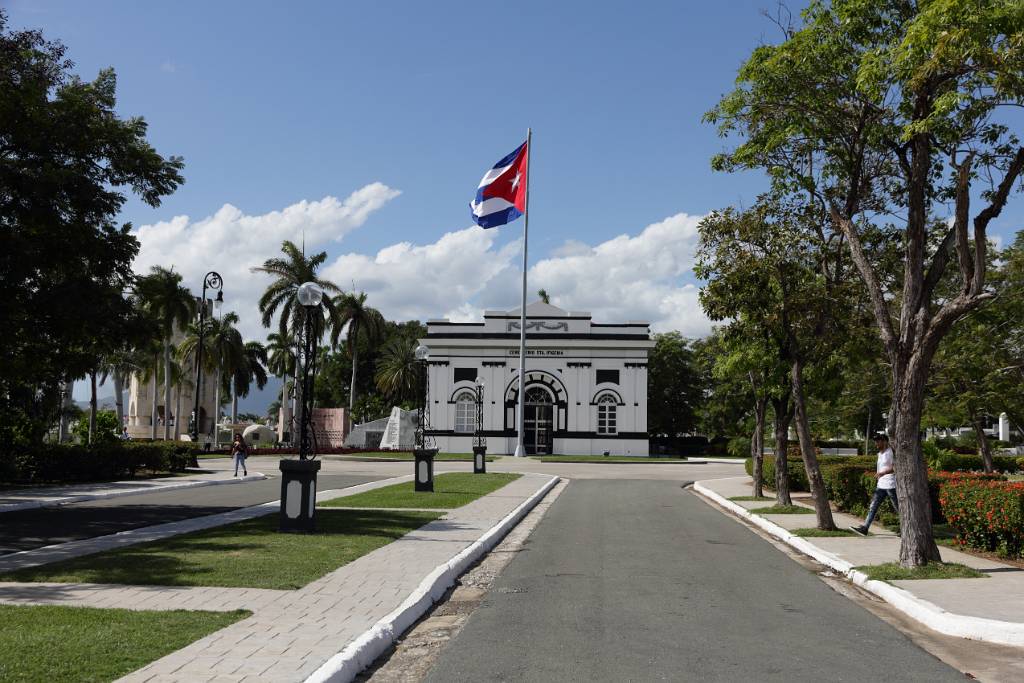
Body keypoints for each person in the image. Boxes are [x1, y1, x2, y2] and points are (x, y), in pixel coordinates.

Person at [850, 433, 898, 535]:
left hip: (890, 485)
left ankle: (907, 529)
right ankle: (865, 528)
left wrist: (883, 473)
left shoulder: (890, 452)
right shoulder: (880, 454)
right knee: (873, 506)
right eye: (875, 441)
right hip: (881, 485)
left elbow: (895, 468)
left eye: (878, 441)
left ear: (884, 441)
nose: (876, 443)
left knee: (898, 508)